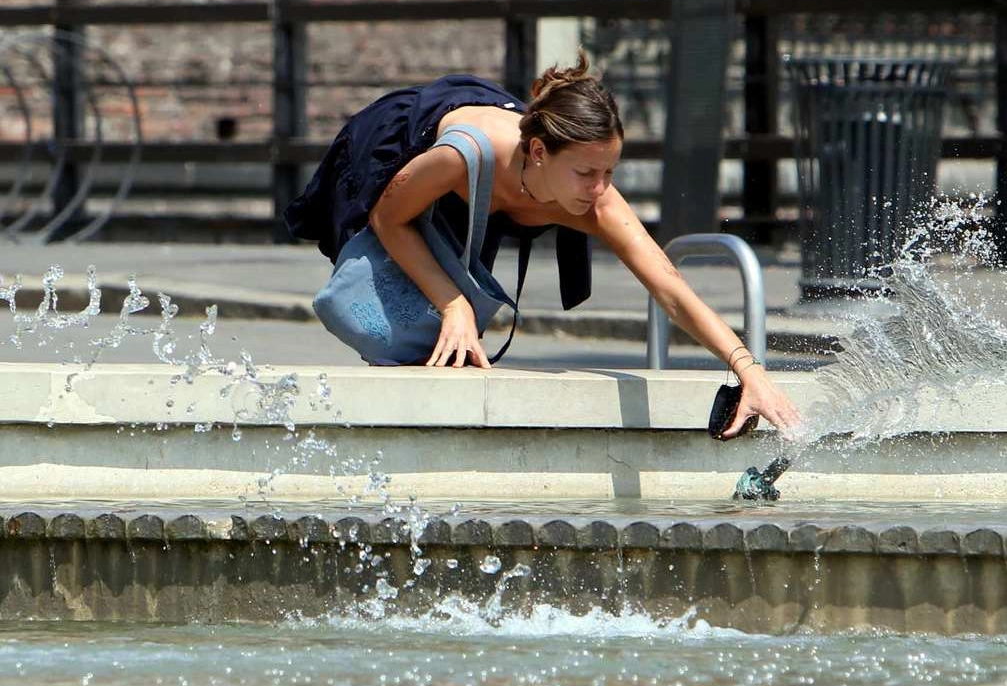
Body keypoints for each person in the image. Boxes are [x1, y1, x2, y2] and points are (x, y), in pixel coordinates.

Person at [284, 52, 800, 438]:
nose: (600, 188)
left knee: (450, 342)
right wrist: (453, 302)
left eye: (609, 172)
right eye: (585, 173)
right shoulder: (462, 156)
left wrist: (747, 369)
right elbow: (389, 217)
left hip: (494, 194)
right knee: (402, 302)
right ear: (537, 151)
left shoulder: (595, 199)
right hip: (403, 151)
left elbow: (669, 287)